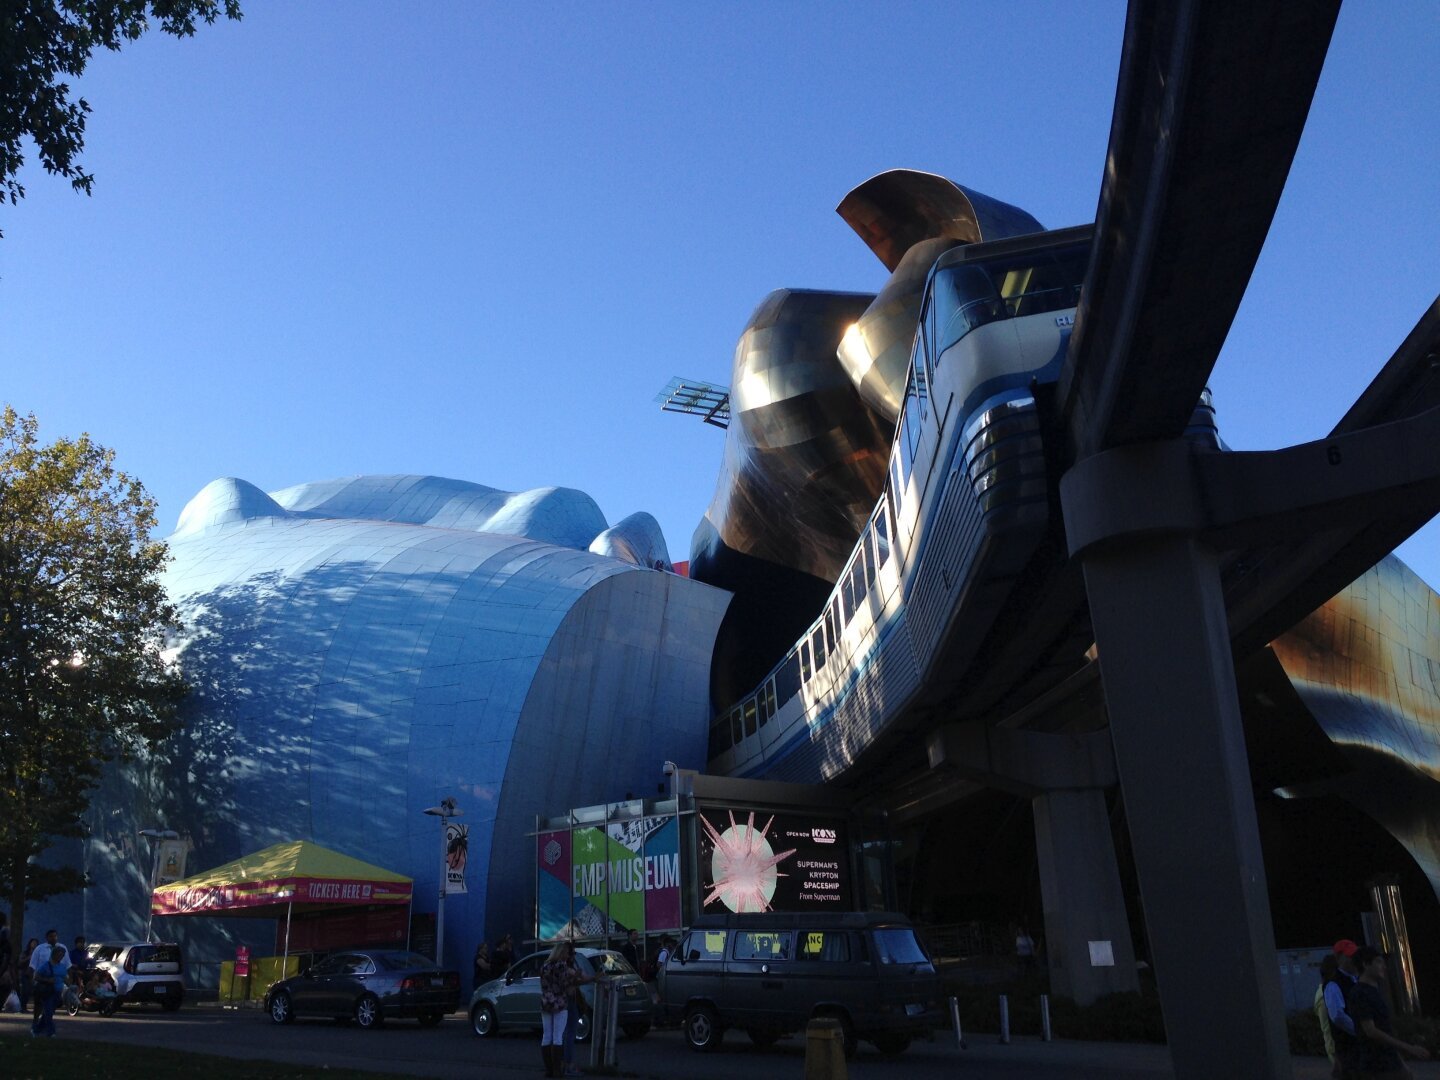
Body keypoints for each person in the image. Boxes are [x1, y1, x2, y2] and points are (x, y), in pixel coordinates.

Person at [1347, 945, 1429, 1078]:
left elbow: (1385, 1028)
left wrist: (1401, 1063)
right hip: (1376, 1066)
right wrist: (1409, 1048)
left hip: (1390, 1062)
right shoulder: (1360, 993)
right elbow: (1371, 1031)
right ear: (1366, 964)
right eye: (1379, 962)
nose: (1384, 966)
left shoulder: (1374, 991)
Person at [539, 940, 580, 1078]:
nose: (568, 956)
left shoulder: (545, 965)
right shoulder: (561, 965)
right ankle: (557, 1070)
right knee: (558, 1037)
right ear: (562, 953)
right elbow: (563, 984)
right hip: (559, 1002)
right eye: (567, 953)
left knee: (546, 1036)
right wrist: (575, 977)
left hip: (546, 1001)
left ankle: (548, 1069)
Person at [1327, 939, 1362, 1077]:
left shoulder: (1355, 980)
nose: (1354, 959)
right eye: (1349, 956)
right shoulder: (1334, 984)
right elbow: (1338, 1016)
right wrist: (1361, 1030)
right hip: (1349, 1050)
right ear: (1338, 958)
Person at [561, 946, 598, 1078]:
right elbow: (574, 980)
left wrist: (589, 978)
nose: (573, 956)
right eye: (572, 953)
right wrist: (590, 978)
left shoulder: (568, 965)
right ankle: (567, 1064)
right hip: (568, 1000)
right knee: (569, 1033)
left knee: (564, 1033)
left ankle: (563, 1064)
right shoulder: (565, 967)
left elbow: (580, 978)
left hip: (567, 1000)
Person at [1314, 954, 1341, 1077]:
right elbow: (1328, 1028)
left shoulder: (1328, 991)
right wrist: (1335, 1056)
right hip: (1339, 1051)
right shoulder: (1324, 995)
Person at [31, 944, 65, 1037]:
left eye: (62, 955)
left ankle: (36, 1029)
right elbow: (36, 976)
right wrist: (47, 980)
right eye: (59, 954)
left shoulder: (62, 966)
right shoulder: (46, 965)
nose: (60, 957)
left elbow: (64, 977)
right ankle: (51, 1032)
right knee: (48, 1012)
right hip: (48, 992)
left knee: (48, 1013)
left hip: (58, 992)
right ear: (54, 955)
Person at [18, 937, 38, 1010]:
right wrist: (29, 957)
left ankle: (25, 1006)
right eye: (33, 943)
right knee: (25, 991)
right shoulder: (25, 953)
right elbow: (20, 962)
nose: (34, 944)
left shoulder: (38, 954)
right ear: (30, 944)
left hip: (34, 975)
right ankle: (22, 1007)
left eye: (35, 943)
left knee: (30, 991)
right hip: (25, 974)